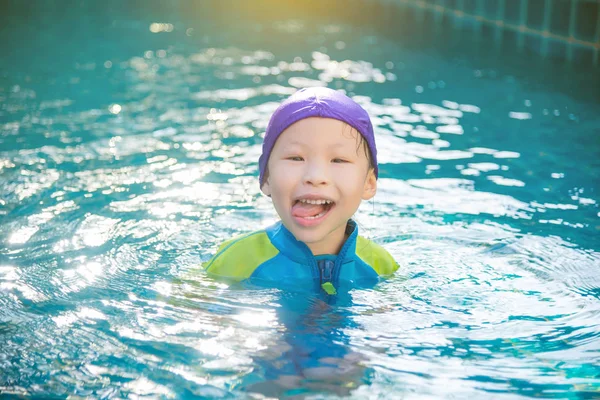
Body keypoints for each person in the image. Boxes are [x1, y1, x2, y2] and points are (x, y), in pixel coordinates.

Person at [203, 87, 398, 295]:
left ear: (368, 183)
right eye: (296, 158)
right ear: (266, 178)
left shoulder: (381, 267)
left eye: (338, 160)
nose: (315, 176)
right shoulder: (234, 260)